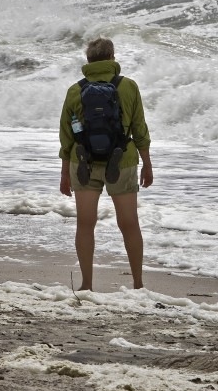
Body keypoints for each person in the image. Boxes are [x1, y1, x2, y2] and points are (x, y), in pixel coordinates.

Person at [59, 38, 153, 290]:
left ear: (88, 62)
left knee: (85, 223)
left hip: (83, 162)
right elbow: (139, 128)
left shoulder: (75, 90)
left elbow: (66, 135)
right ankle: (138, 284)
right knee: (129, 223)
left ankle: (86, 284)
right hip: (121, 161)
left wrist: (64, 173)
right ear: (112, 57)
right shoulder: (128, 86)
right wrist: (147, 163)